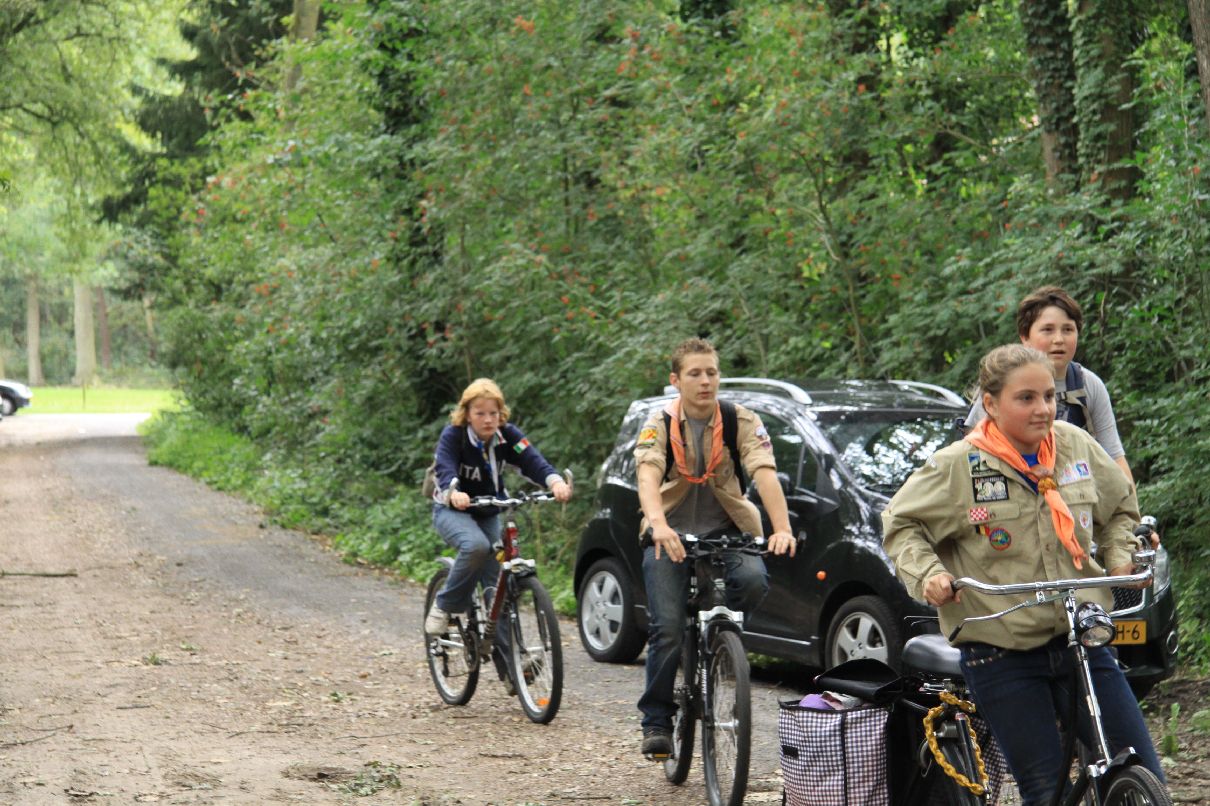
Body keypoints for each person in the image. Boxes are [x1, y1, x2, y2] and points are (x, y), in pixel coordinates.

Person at [884, 344, 1163, 806]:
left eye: (1049, 396)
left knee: (1139, 768)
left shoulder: (1074, 445)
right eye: (1026, 398)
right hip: (1001, 651)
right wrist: (929, 574)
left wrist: (1119, 557)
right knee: (1045, 789)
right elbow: (900, 524)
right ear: (990, 404)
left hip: (1080, 638)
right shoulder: (958, 466)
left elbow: (1120, 509)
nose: (1043, 409)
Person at [633, 338, 797, 757]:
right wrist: (657, 525)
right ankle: (657, 721)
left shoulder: (739, 419)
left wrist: (781, 528)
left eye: (711, 372)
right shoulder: (660, 422)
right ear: (676, 380)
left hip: (727, 529)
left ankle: (721, 641)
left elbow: (764, 472)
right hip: (670, 532)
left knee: (753, 581)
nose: (705, 381)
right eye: (695, 373)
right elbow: (647, 474)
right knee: (668, 629)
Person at [424, 379, 571, 687]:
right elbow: (445, 467)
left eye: (493, 413)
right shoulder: (454, 436)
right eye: (480, 413)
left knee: (498, 588)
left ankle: (511, 673)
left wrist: (555, 481)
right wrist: (453, 492)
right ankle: (445, 604)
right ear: (467, 414)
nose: (488, 419)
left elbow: (532, 461)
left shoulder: (508, 437)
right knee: (477, 546)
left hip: (489, 509)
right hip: (451, 510)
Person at [965, 285, 1135, 483]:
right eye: (1047, 330)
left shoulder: (1088, 384)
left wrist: (1129, 501)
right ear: (1025, 337)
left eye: (1068, 330)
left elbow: (1114, 457)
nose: (1058, 339)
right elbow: (975, 455)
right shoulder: (1003, 381)